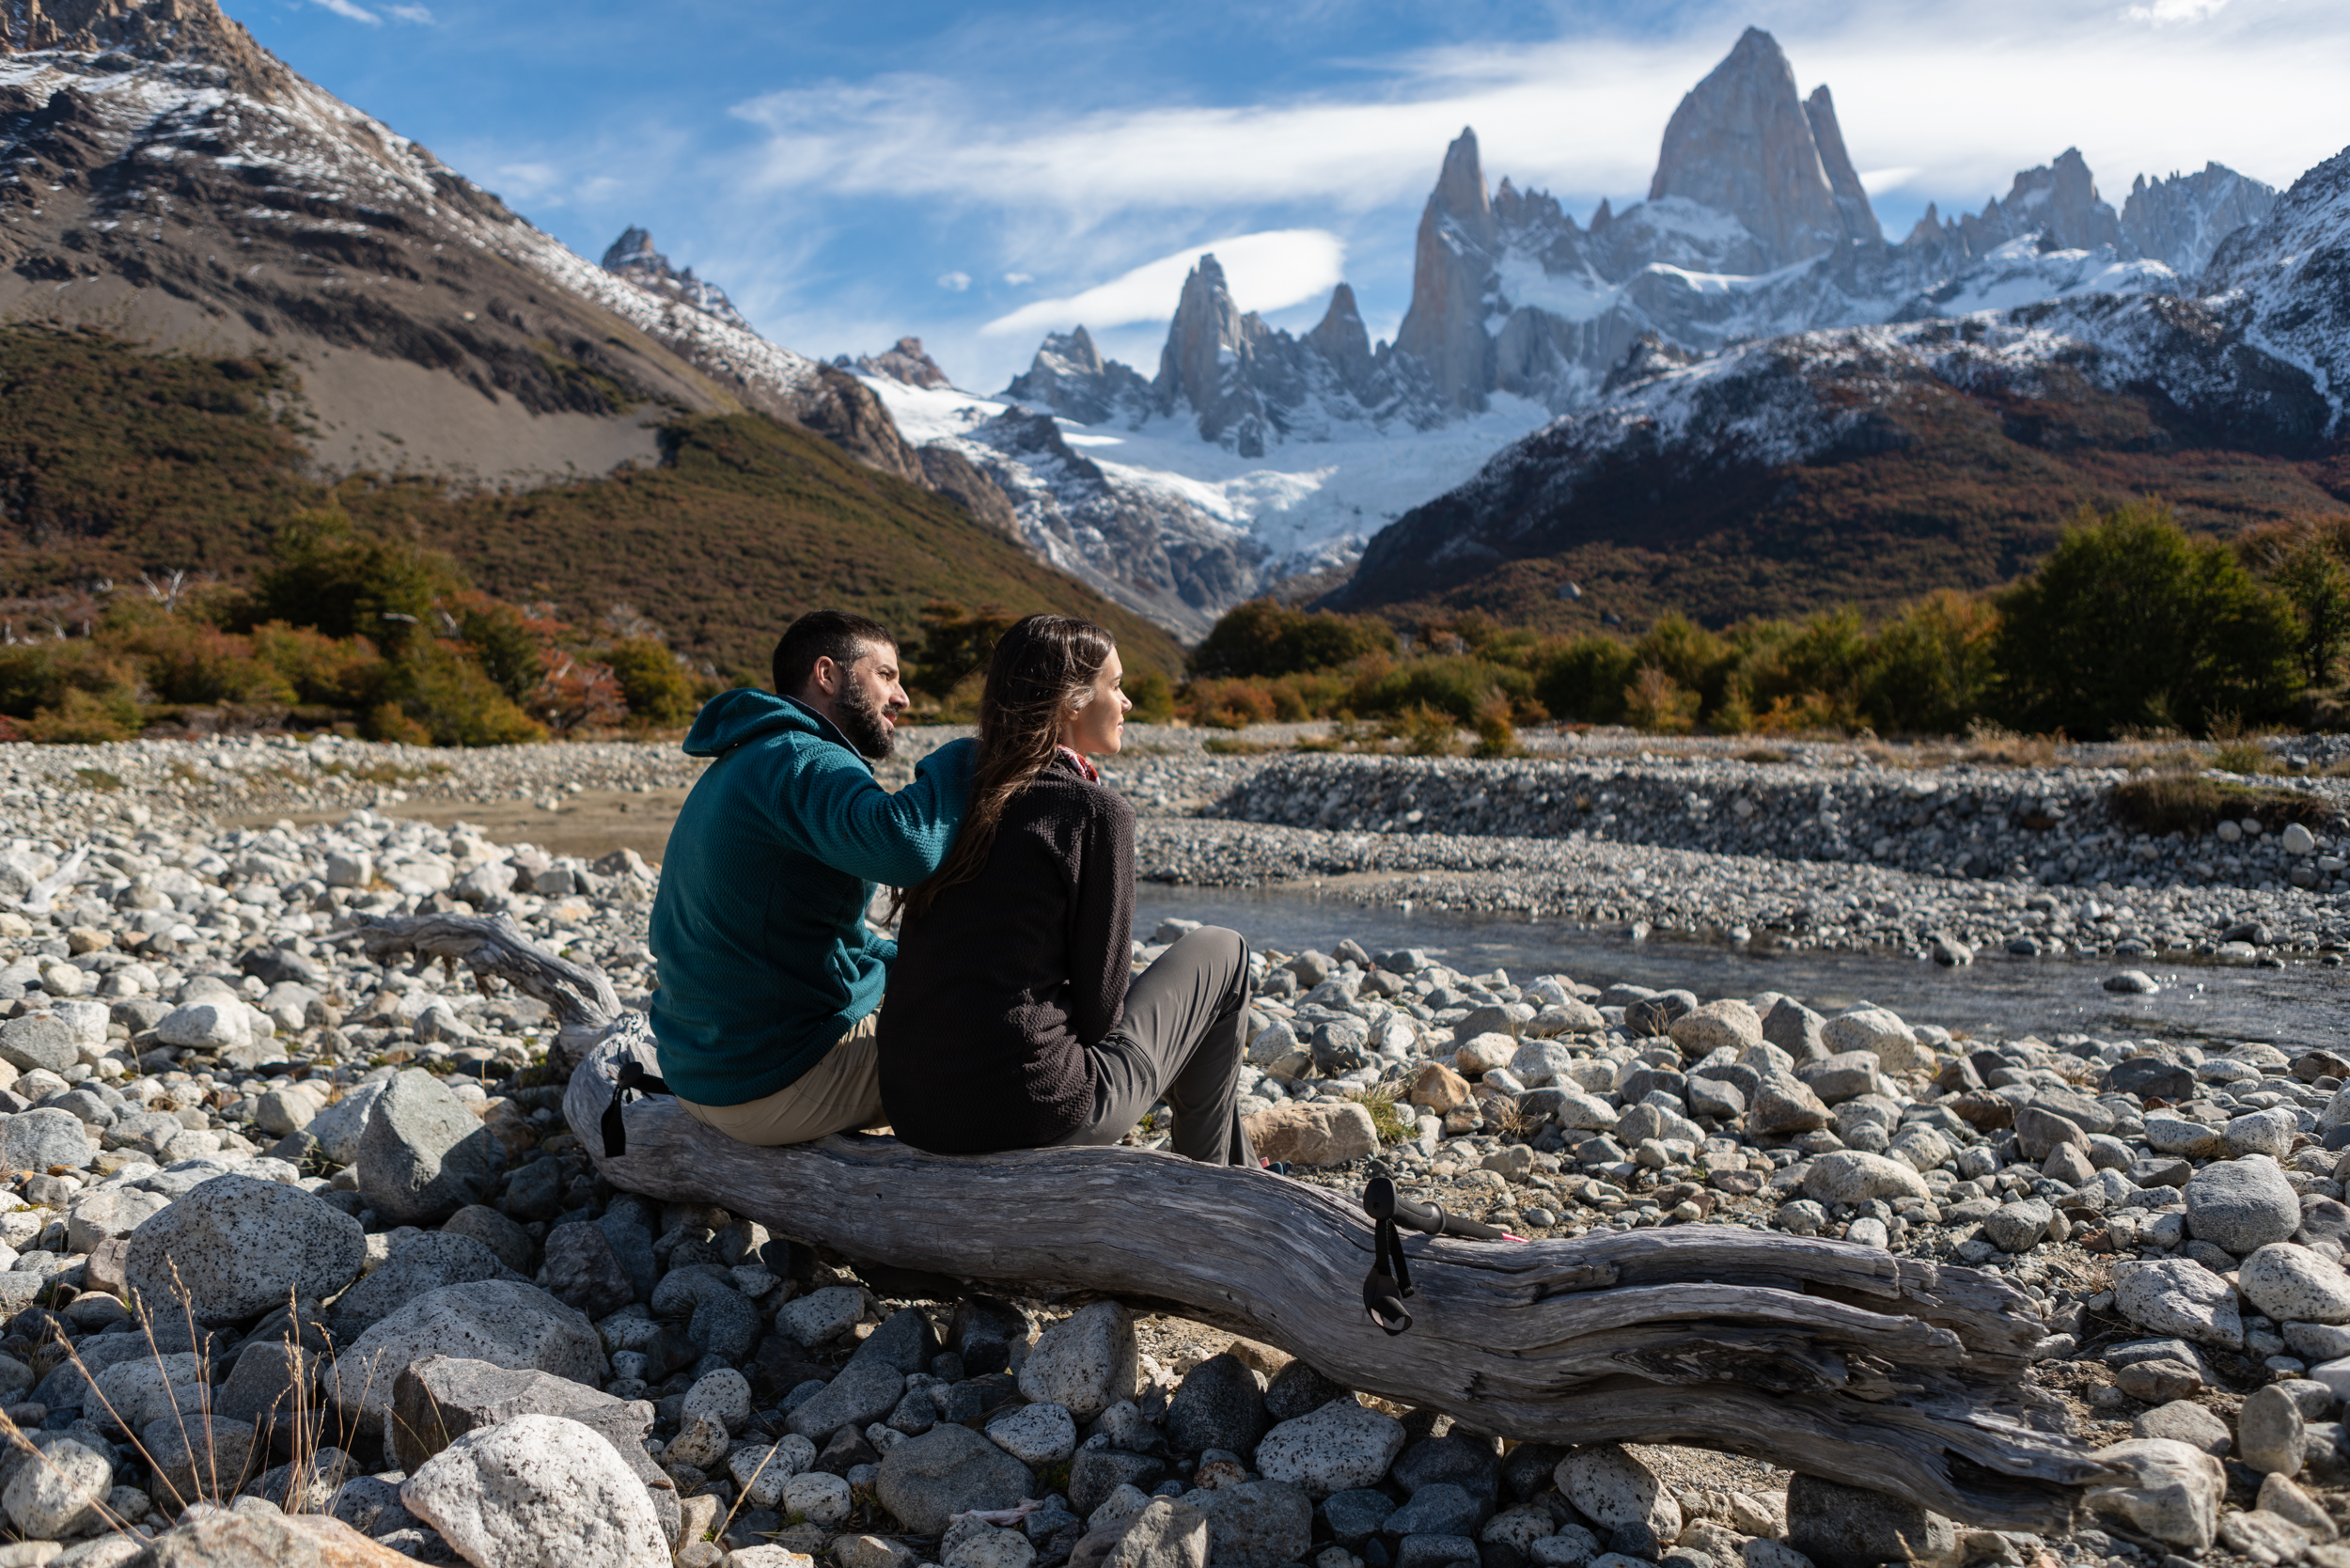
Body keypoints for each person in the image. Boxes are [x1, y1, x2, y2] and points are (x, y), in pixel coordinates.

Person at [878, 614, 1255, 1164]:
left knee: (1180, 1019)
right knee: (1225, 950)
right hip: (1036, 1112)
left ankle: (1237, 1172)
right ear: (1072, 701)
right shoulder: (1094, 812)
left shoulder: (958, 791)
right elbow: (1103, 1014)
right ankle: (1214, 1185)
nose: (1127, 704)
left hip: (917, 1110)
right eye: (1117, 686)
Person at [650, 609, 975, 1145]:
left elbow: (824, 929)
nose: (902, 698)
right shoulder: (804, 758)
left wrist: (925, 964)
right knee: (1022, 1051)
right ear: (827, 675)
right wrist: (970, 755)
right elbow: (905, 848)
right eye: (886, 675)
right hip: (771, 1083)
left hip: (702, 1073)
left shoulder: (750, 756)